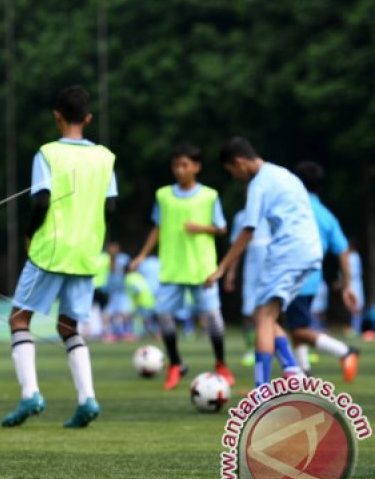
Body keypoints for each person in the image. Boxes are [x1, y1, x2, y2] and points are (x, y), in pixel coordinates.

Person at [2, 85, 117, 429]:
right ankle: (87, 399)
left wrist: (29, 233)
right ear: (88, 118)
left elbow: (41, 200)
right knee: (68, 326)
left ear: (56, 115)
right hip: (86, 252)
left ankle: (30, 394)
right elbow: (111, 205)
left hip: (51, 249)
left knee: (19, 320)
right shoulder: (104, 156)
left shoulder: (48, 153)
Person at [206, 137, 322, 388]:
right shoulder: (285, 174)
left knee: (264, 318)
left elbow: (248, 230)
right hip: (309, 250)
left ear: (239, 162)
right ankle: (294, 372)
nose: (235, 176)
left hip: (288, 251)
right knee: (266, 314)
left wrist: (222, 268)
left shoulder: (259, 184)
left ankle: (260, 391)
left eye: (232, 171)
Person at [129, 143, 233, 390]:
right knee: (164, 316)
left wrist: (201, 228)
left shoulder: (209, 195)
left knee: (213, 318)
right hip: (172, 268)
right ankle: (175, 364)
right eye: (176, 165)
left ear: (196, 167)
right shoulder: (163, 195)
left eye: (184, 165)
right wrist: (142, 255)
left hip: (202, 268)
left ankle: (221, 364)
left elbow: (222, 228)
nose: (179, 170)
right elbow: (158, 227)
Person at [285, 161, 359, 381]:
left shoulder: (292, 209)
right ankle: (304, 373)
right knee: (297, 326)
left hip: (293, 275)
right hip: (313, 280)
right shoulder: (326, 215)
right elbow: (343, 250)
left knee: (296, 330)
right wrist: (347, 285)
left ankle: (344, 351)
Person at [223, 206, 271, 367]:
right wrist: (231, 272)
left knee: (272, 311)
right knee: (249, 311)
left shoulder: (273, 213)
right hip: (251, 270)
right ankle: (251, 349)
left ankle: (272, 348)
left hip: (272, 267)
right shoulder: (241, 216)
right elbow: (237, 247)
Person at [346, 237, 365, 336]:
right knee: (353, 306)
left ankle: (356, 328)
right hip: (354, 283)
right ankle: (355, 327)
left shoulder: (353, 257)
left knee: (356, 306)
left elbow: (351, 272)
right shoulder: (353, 256)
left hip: (354, 284)